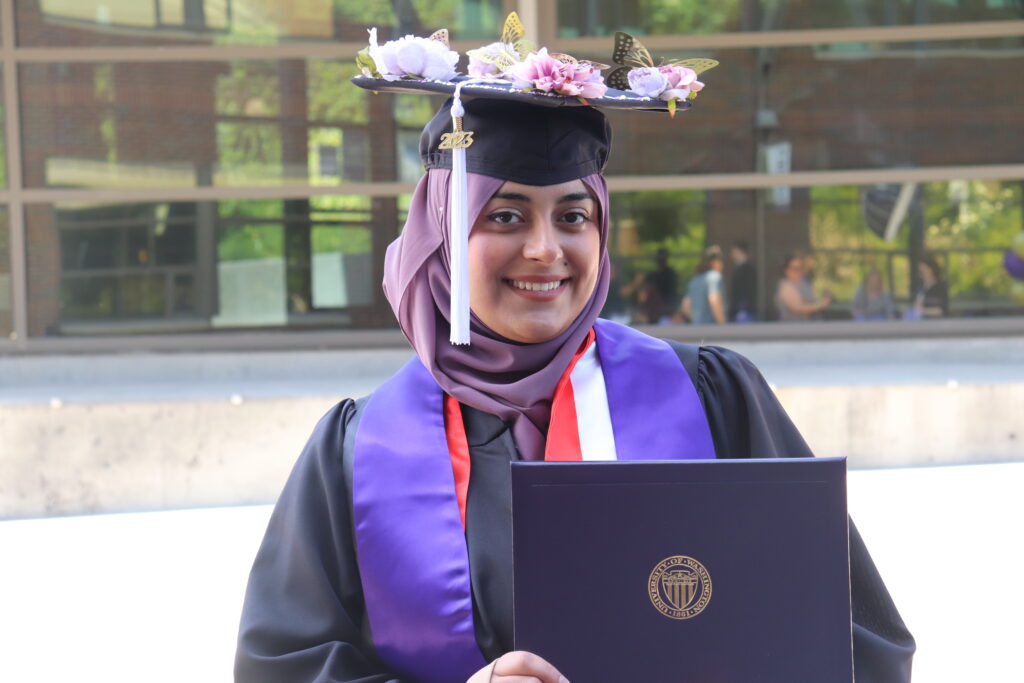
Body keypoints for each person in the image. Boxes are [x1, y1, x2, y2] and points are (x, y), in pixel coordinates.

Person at [235, 25, 914, 683]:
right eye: (504, 215)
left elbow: (855, 640)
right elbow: (283, 667)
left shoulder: (710, 395)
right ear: (442, 237)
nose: (544, 249)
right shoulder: (359, 449)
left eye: (572, 215)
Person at [775, 253, 833, 321]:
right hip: (792, 328)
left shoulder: (802, 283)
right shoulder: (786, 286)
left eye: (800, 267)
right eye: (795, 268)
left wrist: (824, 296)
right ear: (786, 270)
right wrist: (821, 304)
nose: (799, 271)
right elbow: (799, 307)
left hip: (806, 326)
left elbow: (813, 297)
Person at [680, 245, 726, 324]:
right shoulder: (714, 277)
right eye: (720, 260)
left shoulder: (695, 280)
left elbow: (685, 307)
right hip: (712, 330)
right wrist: (723, 325)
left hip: (698, 329)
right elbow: (714, 300)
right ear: (714, 262)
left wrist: (698, 319)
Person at [728, 240, 756, 322]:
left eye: (734, 251)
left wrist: (743, 306)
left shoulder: (748, 269)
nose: (732, 254)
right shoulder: (738, 268)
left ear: (740, 251)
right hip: (738, 310)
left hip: (743, 310)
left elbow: (748, 291)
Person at [914, 254, 949, 318]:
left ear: (931, 270)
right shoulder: (922, 287)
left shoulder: (941, 287)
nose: (921, 275)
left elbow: (941, 310)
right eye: (920, 272)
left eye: (923, 271)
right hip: (923, 323)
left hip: (937, 324)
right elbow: (917, 307)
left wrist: (922, 311)